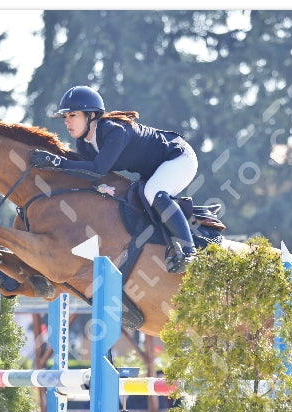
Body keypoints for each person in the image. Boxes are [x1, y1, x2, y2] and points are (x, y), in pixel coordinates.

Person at [30, 85, 198, 274]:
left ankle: (189, 251)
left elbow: (97, 170)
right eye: (65, 117)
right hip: (154, 169)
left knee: (153, 192)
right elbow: (82, 176)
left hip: (177, 157)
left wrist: (57, 162)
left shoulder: (113, 130)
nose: (67, 122)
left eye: (73, 116)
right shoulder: (84, 144)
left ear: (92, 115)